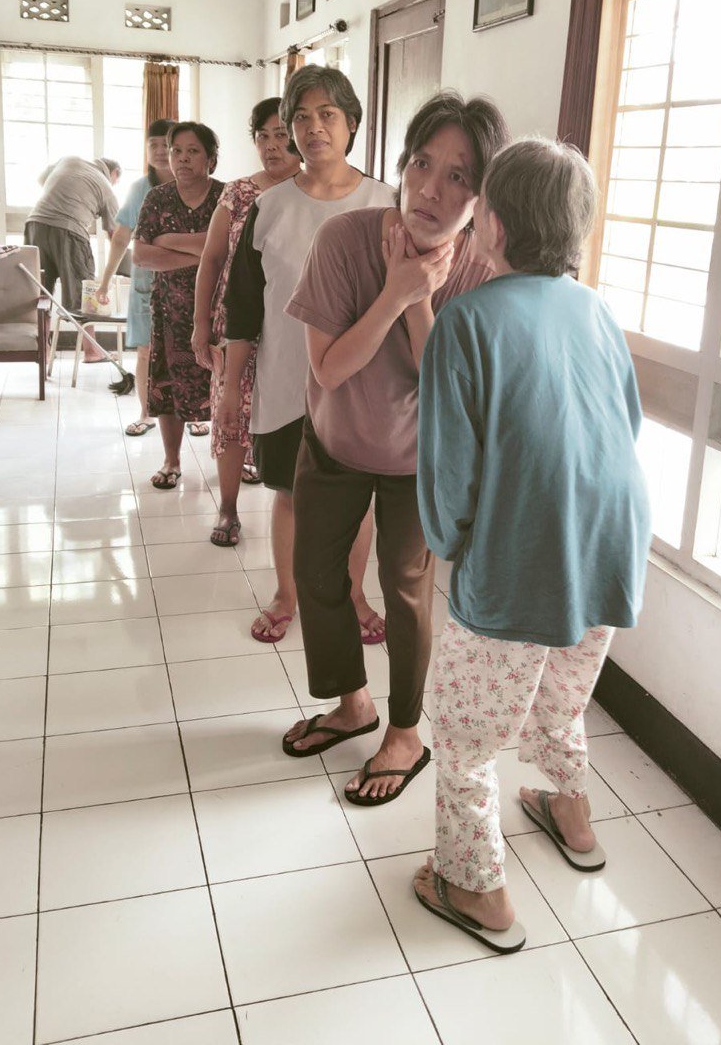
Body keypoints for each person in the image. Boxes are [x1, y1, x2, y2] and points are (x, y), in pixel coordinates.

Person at [411, 139, 652, 953]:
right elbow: (626, 422)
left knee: (465, 739)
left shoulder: (465, 320)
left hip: (522, 556)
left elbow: (448, 472)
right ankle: (571, 816)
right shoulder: (594, 309)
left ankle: (474, 887)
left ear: (493, 222)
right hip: (609, 544)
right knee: (562, 693)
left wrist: (454, 549)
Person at [281, 91, 509, 808]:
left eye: (458, 176)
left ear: (481, 195)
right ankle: (353, 705)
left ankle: (406, 734)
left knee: (406, 593)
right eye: (421, 164)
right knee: (317, 574)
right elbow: (329, 369)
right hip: (334, 442)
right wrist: (393, 292)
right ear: (403, 165)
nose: (430, 190)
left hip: (418, 460)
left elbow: (447, 390)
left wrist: (418, 300)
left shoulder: (479, 270)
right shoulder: (343, 241)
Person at [223, 66, 391, 642]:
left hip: (361, 387)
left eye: (327, 114)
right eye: (301, 117)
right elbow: (244, 309)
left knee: (356, 501)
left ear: (352, 124)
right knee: (290, 494)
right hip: (285, 380)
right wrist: (230, 389)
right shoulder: (268, 208)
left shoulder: (385, 204)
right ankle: (286, 594)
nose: (313, 127)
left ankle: (354, 595)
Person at [192, 98, 301, 546]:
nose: (271, 146)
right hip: (235, 323)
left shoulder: (313, 192)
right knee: (231, 410)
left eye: (280, 135)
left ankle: (293, 506)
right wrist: (201, 324)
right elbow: (212, 258)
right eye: (262, 136)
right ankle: (228, 508)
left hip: (292, 326)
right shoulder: (237, 193)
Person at [133, 122, 224, 489]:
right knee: (168, 388)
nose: (182, 158)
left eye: (193, 151)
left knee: (228, 385)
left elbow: (231, 249)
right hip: (170, 312)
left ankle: (240, 459)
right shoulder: (157, 198)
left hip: (221, 312)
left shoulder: (226, 197)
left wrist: (169, 240)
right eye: (176, 151)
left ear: (211, 159)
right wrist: (204, 251)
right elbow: (141, 255)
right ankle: (172, 460)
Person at [96, 118, 174, 435]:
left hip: (187, 283)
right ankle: (146, 412)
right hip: (147, 284)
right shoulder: (139, 189)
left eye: (166, 145)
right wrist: (104, 282)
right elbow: (120, 238)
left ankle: (195, 414)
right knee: (145, 350)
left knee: (189, 349)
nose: (159, 151)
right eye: (153, 145)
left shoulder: (194, 185)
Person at [24, 154, 121, 361]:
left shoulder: (68, 160)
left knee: (41, 292)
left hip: (35, 224)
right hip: (69, 231)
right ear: (114, 173)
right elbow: (116, 236)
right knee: (84, 294)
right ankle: (92, 351)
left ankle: (43, 350)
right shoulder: (106, 187)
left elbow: (42, 180)